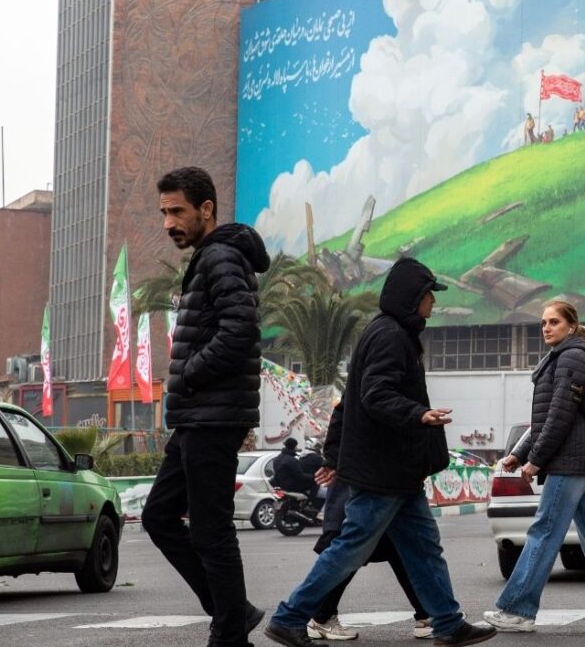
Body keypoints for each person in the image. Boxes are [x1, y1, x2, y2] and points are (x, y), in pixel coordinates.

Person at [264, 258, 495, 647]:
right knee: (351, 547)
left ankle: (448, 623)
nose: (432, 305)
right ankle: (289, 617)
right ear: (412, 298)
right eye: (428, 297)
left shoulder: (390, 332)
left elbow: (356, 400)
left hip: (397, 472)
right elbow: (375, 395)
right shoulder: (390, 335)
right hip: (383, 470)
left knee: (423, 549)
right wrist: (418, 413)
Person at [141, 166, 271, 646]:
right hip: (199, 416)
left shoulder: (219, 257)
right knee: (158, 515)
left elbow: (241, 330)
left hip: (212, 415)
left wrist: (191, 373)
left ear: (206, 209)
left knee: (212, 531)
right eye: (164, 212)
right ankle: (231, 612)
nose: (168, 222)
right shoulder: (211, 258)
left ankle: (229, 631)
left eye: (177, 211)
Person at [483, 300, 585, 634]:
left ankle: (517, 609)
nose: (546, 328)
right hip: (580, 458)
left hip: (571, 460)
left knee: (544, 530)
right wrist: (519, 452)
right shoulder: (567, 356)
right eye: (543, 323)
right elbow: (545, 418)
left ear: (571, 325)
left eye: (553, 322)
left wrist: (535, 460)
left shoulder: (572, 357)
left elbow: (560, 416)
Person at [304, 405, 433, 641]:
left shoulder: (383, 378)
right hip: (362, 482)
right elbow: (342, 421)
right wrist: (333, 460)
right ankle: (313, 616)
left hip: (381, 480)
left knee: (401, 550)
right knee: (350, 551)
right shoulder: (371, 378)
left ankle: (427, 615)